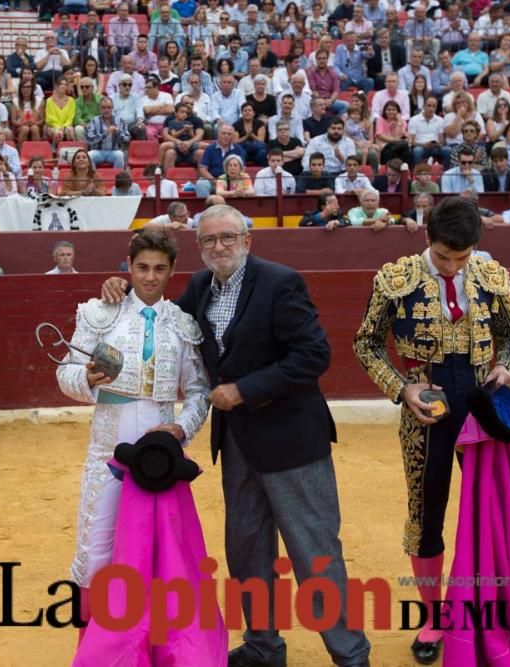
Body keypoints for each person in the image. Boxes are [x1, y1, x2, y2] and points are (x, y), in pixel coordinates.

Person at [101, 205, 372, 667]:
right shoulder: (201, 288)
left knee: (314, 551)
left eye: (227, 237)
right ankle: (264, 646)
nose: (219, 247)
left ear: (247, 240)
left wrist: (245, 390)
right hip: (239, 444)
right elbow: (162, 315)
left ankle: (350, 654)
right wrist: (125, 288)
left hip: (291, 440)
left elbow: (313, 355)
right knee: (247, 548)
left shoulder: (279, 282)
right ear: (200, 247)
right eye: (209, 241)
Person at [354, 195, 510, 667]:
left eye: (462, 258)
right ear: (427, 240)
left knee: (487, 510)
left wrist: (508, 370)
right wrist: (402, 389)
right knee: (427, 513)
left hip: (480, 405)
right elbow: (365, 344)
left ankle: (483, 609)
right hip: (425, 408)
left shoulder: (490, 276)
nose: (452, 268)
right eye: (444, 257)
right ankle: (432, 616)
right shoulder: (395, 280)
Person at [57, 229, 210, 648]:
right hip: (106, 451)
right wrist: (85, 378)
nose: (149, 277)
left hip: (160, 455)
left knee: (159, 549)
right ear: (128, 265)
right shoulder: (99, 312)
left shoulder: (182, 325)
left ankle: (155, 641)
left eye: (160, 269)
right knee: (97, 545)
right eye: (142, 267)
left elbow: (198, 392)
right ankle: (97, 645)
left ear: (172, 271)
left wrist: (181, 429)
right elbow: (65, 373)